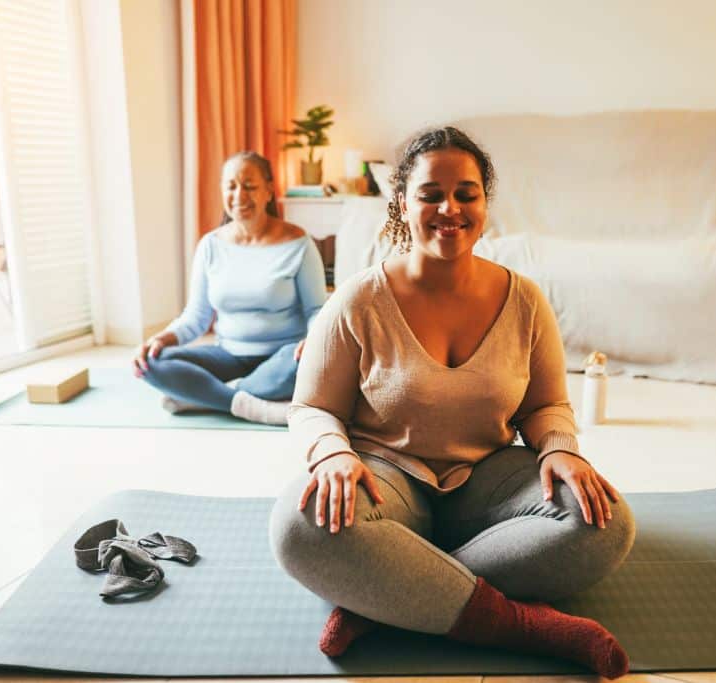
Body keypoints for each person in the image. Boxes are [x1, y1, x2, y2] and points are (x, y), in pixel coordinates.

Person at [269, 128, 636, 678]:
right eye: (430, 193)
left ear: (485, 203)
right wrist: (330, 453)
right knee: (301, 529)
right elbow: (311, 408)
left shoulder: (526, 300)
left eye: (467, 194)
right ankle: (519, 623)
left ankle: (390, 601)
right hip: (384, 477)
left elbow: (545, 406)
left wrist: (562, 450)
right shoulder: (358, 299)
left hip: (489, 480)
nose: (450, 208)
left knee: (605, 525)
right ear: (401, 203)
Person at [132, 151, 327, 425]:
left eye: (249, 186)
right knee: (152, 362)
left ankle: (202, 395)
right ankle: (253, 405)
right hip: (227, 355)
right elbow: (196, 317)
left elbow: (316, 309)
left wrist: (314, 340)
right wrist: (161, 339)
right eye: (231, 186)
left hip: (283, 357)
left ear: (269, 191)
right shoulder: (210, 245)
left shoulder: (298, 243)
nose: (239, 195)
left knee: (310, 365)